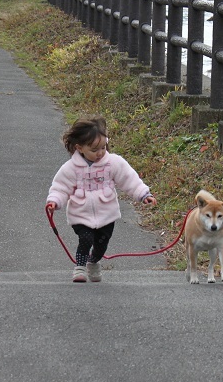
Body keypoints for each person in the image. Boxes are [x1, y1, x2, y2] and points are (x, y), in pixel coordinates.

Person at [46, 115, 157, 282]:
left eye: (103, 148)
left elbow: (129, 179)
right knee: (86, 238)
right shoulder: (71, 168)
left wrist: (143, 194)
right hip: (80, 213)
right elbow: (61, 187)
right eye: (94, 149)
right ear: (80, 148)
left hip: (106, 213)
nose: (100, 153)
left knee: (101, 244)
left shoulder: (113, 163)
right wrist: (54, 201)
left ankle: (94, 261)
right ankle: (80, 267)